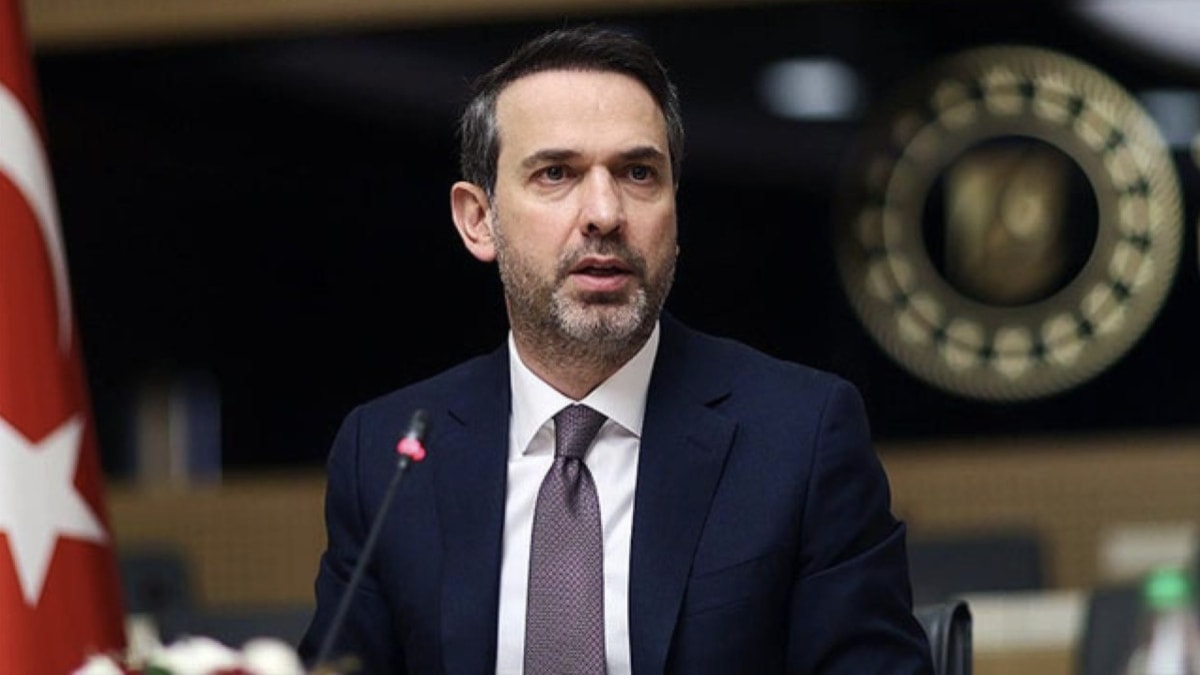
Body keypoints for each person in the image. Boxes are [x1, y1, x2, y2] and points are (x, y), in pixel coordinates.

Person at [298, 23, 933, 675]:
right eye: (556, 173)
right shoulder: (388, 455)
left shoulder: (801, 437)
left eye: (637, 173)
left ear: (675, 211)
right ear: (477, 219)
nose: (604, 212)